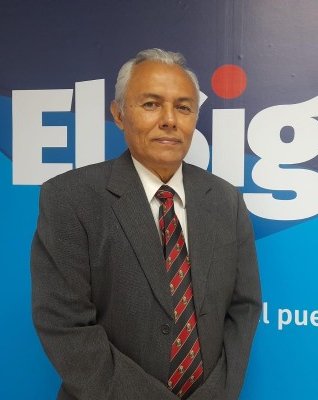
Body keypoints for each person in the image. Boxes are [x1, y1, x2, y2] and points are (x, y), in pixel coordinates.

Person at [31, 48, 262, 400]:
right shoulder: (69, 198)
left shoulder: (226, 200)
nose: (169, 120)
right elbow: (64, 325)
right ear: (119, 114)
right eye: (151, 104)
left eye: (183, 107)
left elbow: (244, 308)